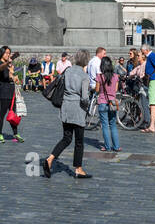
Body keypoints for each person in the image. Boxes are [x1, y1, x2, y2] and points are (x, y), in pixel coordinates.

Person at [42, 49, 92, 178]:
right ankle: (78, 168)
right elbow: (85, 98)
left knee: (66, 138)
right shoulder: (84, 76)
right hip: (78, 110)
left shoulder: (68, 71)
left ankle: (50, 158)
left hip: (65, 107)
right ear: (86, 61)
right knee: (79, 141)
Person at [0, 45, 22, 143]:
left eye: (9, 53)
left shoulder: (9, 65)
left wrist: (14, 77)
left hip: (12, 92)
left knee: (13, 113)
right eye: (6, 53)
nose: (8, 54)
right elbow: (2, 67)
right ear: (1, 53)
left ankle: (15, 133)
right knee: (2, 113)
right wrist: (8, 63)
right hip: (4, 92)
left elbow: (10, 78)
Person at [96, 55, 121, 153]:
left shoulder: (100, 76)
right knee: (113, 125)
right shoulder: (115, 76)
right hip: (112, 103)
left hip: (102, 102)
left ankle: (107, 147)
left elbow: (97, 90)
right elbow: (115, 89)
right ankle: (116, 146)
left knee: (105, 126)